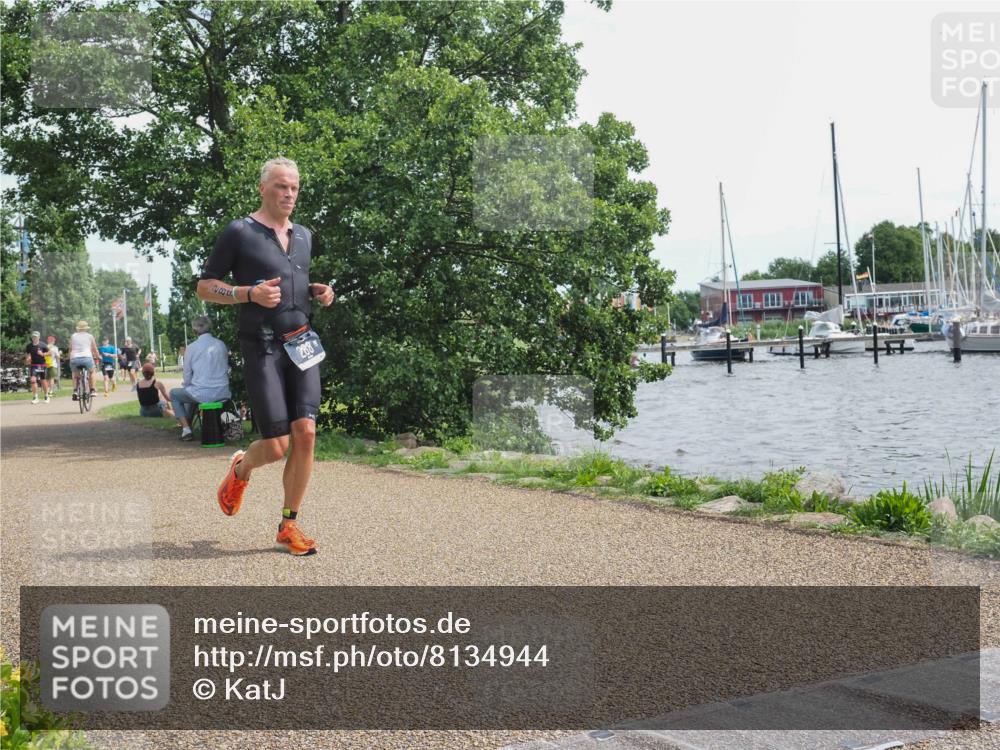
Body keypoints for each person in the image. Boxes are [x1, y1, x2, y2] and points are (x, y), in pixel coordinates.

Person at [197, 156, 334, 556]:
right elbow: (205, 287)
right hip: (261, 345)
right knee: (275, 446)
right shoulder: (240, 232)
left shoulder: (305, 235)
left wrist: (316, 291)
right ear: (263, 189)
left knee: (306, 433)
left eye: (294, 187)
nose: (289, 193)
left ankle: (288, 525)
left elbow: (294, 281)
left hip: (303, 344)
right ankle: (241, 468)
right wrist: (247, 294)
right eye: (280, 186)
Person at [169, 316, 231, 442]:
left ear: (194, 331)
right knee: (191, 392)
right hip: (223, 391)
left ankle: (186, 429)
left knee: (175, 394)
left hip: (202, 393)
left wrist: (187, 385)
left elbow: (187, 374)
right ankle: (189, 427)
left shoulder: (191, 347)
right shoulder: (221, 344)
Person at [68, 321, 100, 400]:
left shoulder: (73, 336)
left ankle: (75, 391)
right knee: (92, 371)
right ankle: (92, 390)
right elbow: (94, 348)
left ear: (78, 328)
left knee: (75, 375)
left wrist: (69, 357)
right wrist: (98, 356)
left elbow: (70, 348)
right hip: (87, 358)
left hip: (75, 358)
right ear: (86, 329)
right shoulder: (90, 336)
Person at [25, 331, 50, 404]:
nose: (34, 338)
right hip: (34, 365)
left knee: (43, 381)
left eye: (35, 337)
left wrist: (43, 354)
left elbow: (50, 352)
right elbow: (28, 355)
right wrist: (28, 359)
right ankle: (35, 397)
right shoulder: (29, 346)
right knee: (33, 380)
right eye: (33, 337)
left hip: (42, 365)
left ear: (39, 337)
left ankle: (46, 395)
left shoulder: (43, 345)